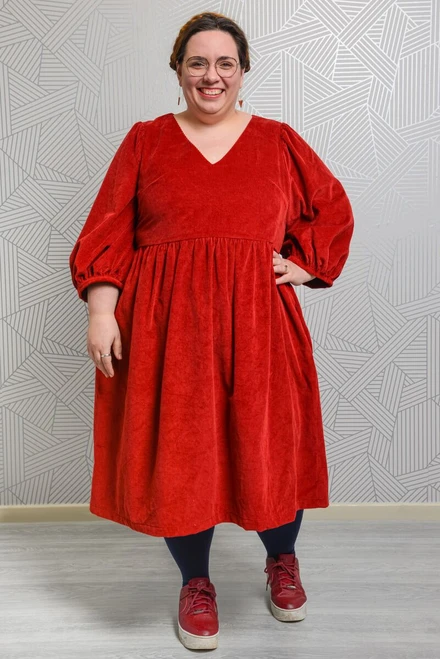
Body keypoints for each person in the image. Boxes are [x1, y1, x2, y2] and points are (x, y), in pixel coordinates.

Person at [69, 11, 354, 652]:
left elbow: (332, 207)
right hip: (169, 333)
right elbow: (107, 233)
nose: (211, 76)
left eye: (225, 63)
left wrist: (307, 266)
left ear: (243, 71)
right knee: (184, 456)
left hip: (260, 325)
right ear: (178, 70)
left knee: (269, 447)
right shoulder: (145, 141)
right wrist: (101, 312)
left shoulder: (278, 140)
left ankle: (281, 560)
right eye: (197, 63)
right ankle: (195, 582)